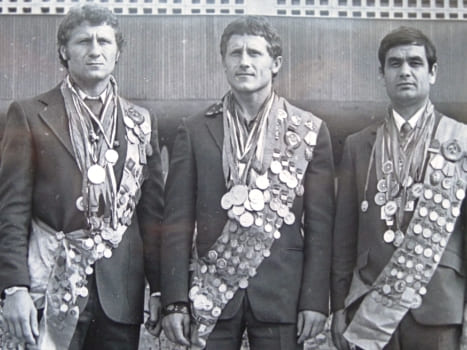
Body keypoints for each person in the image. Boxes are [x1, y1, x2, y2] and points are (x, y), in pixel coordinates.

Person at [161, 16, 335, 350]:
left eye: (254, 53)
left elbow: (320, 227)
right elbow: (177, 223)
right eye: (235, 53)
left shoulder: (308, 131)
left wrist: (314, 300)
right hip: (211, 293)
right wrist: (174, 300)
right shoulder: (195, 129)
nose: (244, 61)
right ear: (223, 62)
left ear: (275, 64)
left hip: (282, 294)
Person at [0, 4, 164, 349]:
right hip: (51, 282)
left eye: (104, 41)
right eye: (83, 41)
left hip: (119, 292)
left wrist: (160, 288)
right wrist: (14, 287)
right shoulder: (29, 114)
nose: (94, 50)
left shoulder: (140, 121)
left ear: (117, 51)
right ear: (64, 50)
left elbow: (152, 216)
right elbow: (11, 210)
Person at [331, 26, 467, 350]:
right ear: (382, 74)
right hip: (369, 303)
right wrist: (337, 307)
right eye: (395, 64)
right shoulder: (357, 145)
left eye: (415, 63)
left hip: (440, 308)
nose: (405, 71)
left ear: (432, 73)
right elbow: (343, 236)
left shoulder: (460, 142)